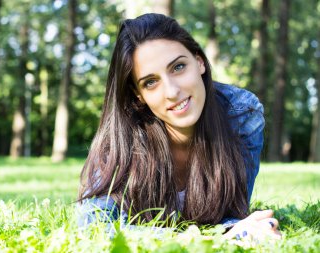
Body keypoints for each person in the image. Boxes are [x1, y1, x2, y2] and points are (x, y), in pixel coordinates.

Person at [77, 13, 281, 241]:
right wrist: (203, 240)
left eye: (178, 67)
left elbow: (232, 213)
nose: (172, 91)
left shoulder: (241, 116)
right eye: (150, 82)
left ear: (200, 62)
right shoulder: (122, 135)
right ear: (138, 94)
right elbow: (93, 225)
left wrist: (242, 230)